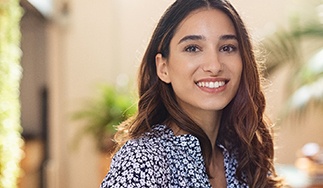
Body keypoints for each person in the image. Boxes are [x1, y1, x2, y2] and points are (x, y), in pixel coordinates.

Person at [101, 0, 283, 187]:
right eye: (193, 48)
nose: (214, 66)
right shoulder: (142, 160)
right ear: (163, 68)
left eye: (227, 47)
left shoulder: (244, 153)